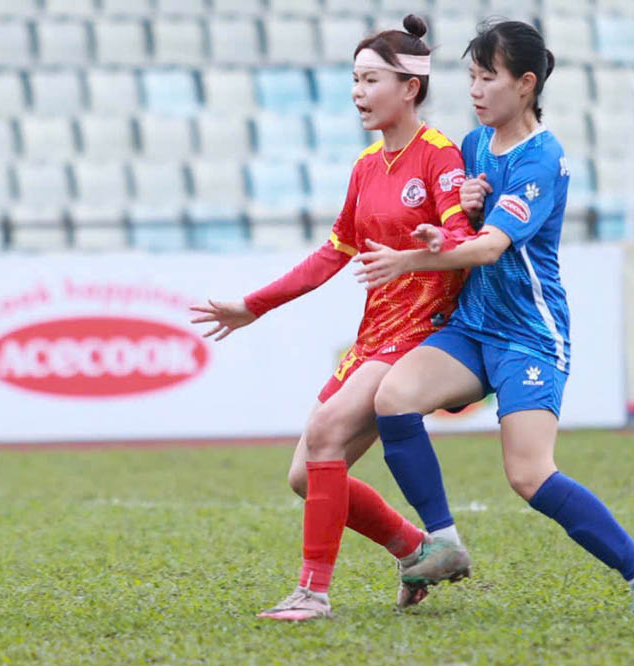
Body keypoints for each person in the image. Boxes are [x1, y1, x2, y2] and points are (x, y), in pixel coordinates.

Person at [353, 19, 634, 613]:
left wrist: (411, 258)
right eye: (471, 77)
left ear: (526, 84)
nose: (475, 90)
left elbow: (488, 249)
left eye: (488, 78)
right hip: (472, 326)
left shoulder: (542, 157)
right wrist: (456, 215)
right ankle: (443, 543)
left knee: (529, 476)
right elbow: (460, 228)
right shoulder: (474, 144)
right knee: (393, 398)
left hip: (529, 335)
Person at [190, 15, 483, 621]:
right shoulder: (367, 165)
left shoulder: (440, 156)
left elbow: (462, 236)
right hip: (374, 337)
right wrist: (252, 305)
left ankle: (312, 593)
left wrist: (441, 238)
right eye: (354, 79)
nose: (357, 92)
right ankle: (416, 549)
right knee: (305, 475)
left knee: (325, 432)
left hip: (422, 335)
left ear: (410, 88)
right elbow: (333, 252)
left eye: (370, 79)